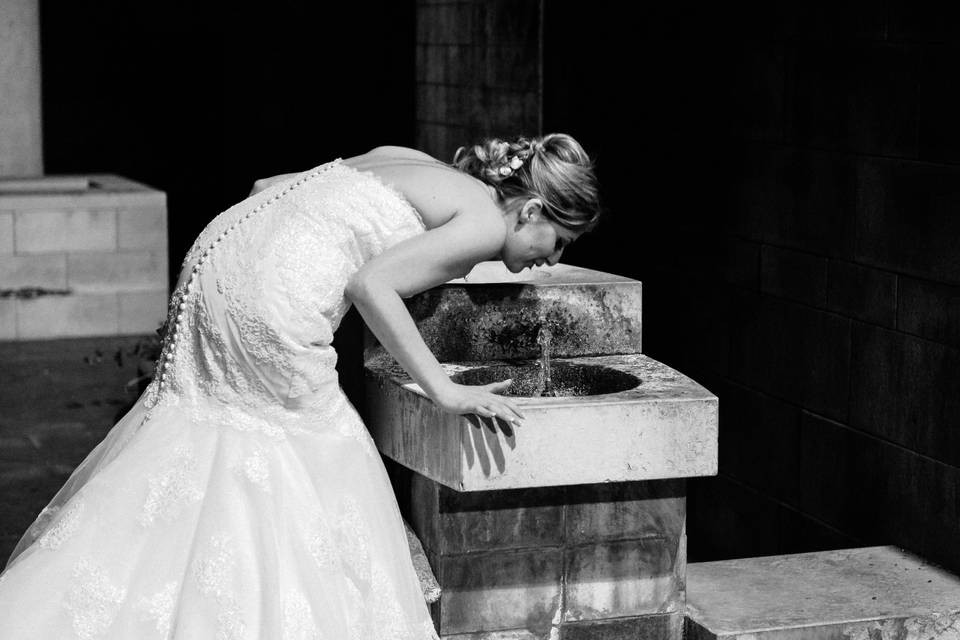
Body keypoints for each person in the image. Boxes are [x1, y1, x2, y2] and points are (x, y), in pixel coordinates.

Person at [0, 133, 601, 638]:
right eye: (561, 243)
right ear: (530, 212)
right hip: (271, 307)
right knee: (320, 454)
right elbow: (373, 285)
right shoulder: (481, 226)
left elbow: (267, 188)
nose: (551, 261)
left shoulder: (413, 161)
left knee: (210, 439)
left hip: (214, 258)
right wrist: (443, 389)